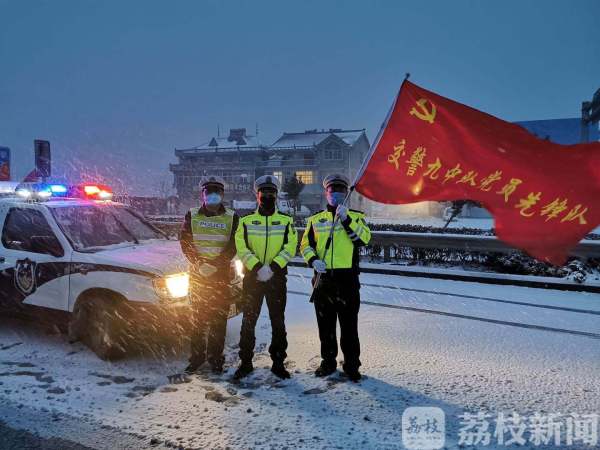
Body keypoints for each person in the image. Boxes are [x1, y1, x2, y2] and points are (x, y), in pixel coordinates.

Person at [300, 173, 371, 382]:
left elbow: (363, 240)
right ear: (326, 193)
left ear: (345, 192)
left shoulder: (357, 217)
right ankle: (328, 362)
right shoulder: (315, 219)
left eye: (340, 190)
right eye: (333, 190)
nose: (337, 194)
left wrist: (347, 219)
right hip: (323, 281)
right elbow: (305, 245)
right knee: (326, 326)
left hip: (347, 280)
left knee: (349, 327)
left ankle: (351, 365)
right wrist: (313, 260)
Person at [233, 175, 297, 380]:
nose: (268, 196)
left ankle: (278, 362)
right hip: (252, 279)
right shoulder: (245, 221)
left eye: (271, 193)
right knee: (248, 321)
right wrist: (257, 267)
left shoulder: (287, 221)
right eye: (264, 193)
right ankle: (245, 362)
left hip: (277, 279)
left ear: (276, 196)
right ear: (257, 194)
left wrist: (274, 267)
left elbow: (290, 247)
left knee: (278, 321)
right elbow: (241, 247)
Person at [180, 176, 239, 374]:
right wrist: (198, 263)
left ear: (222, 195)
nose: (213, 195)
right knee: (197, 320)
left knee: (218, 320)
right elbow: (185, 241)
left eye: (217, 192)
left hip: (220, 276)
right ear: (202, 195)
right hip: (198, 276)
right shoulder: (192, 214)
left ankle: (216, 360)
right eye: (208, 192)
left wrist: (217, 264)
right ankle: (196, 359)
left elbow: (233, 244)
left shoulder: (232, 216)